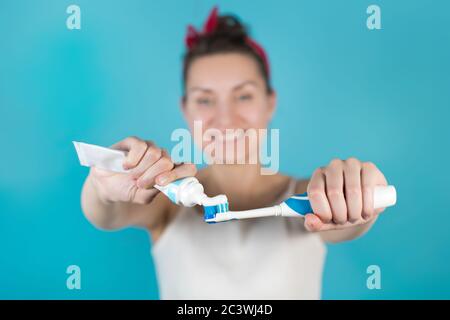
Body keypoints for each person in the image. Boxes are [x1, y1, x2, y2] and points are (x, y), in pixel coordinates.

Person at [80, 7, 388, 299]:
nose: (225, 119)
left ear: (270, 103)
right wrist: (104, 183)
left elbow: (345, 223)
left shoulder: (307, 196)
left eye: (243, 96)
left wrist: (355, 193)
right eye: (204, 100)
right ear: (185, 110)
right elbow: (106, 214)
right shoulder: (165, 205)